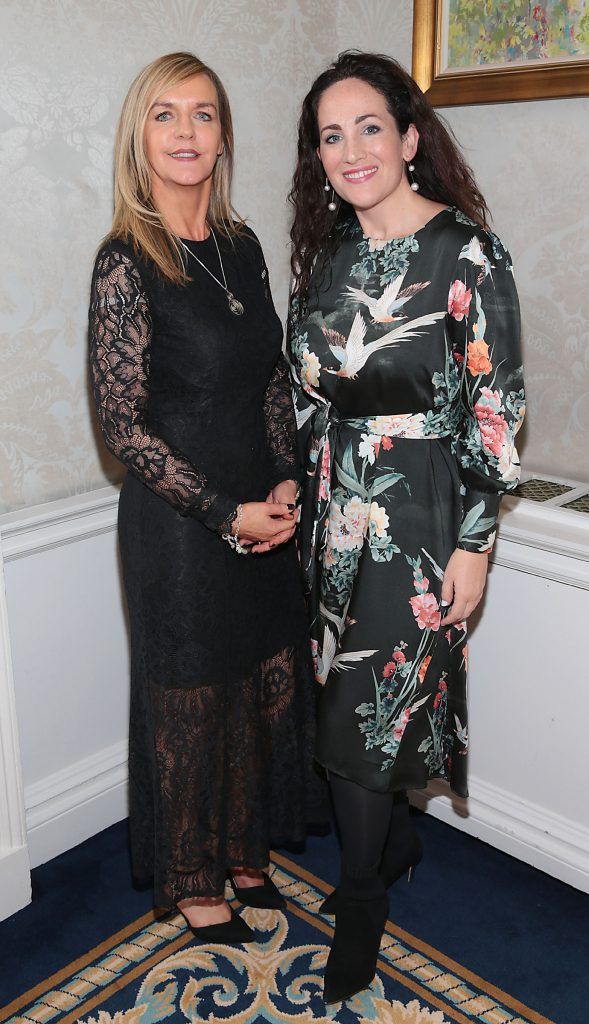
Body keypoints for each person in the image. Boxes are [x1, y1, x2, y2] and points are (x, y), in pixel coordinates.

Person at [288, 50, 525, 1003]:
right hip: (335, 514)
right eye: (330, 137)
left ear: (410, 138)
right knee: (346, 705)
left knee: (362, 713)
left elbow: (495, 411)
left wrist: (475, 544)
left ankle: (359, 899)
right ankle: (400, 835)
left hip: (420, 515)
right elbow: (309, 389)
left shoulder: (466, 251)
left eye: (368, 127)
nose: (350, 151)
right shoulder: (331, 256)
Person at [89, 51, 321, 944]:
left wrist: (286, 475)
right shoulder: (125, 261)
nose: (187, 133)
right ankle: (192, 876)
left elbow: (267, 383)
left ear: (224, 136)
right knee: (192, 702)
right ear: (140, 138)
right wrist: (225, 514)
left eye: (204, 114)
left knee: (261, 689)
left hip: (262, 504)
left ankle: (243, 849)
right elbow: (124, 427)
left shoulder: (243, 245)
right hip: (180, 527)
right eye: (165, 115)